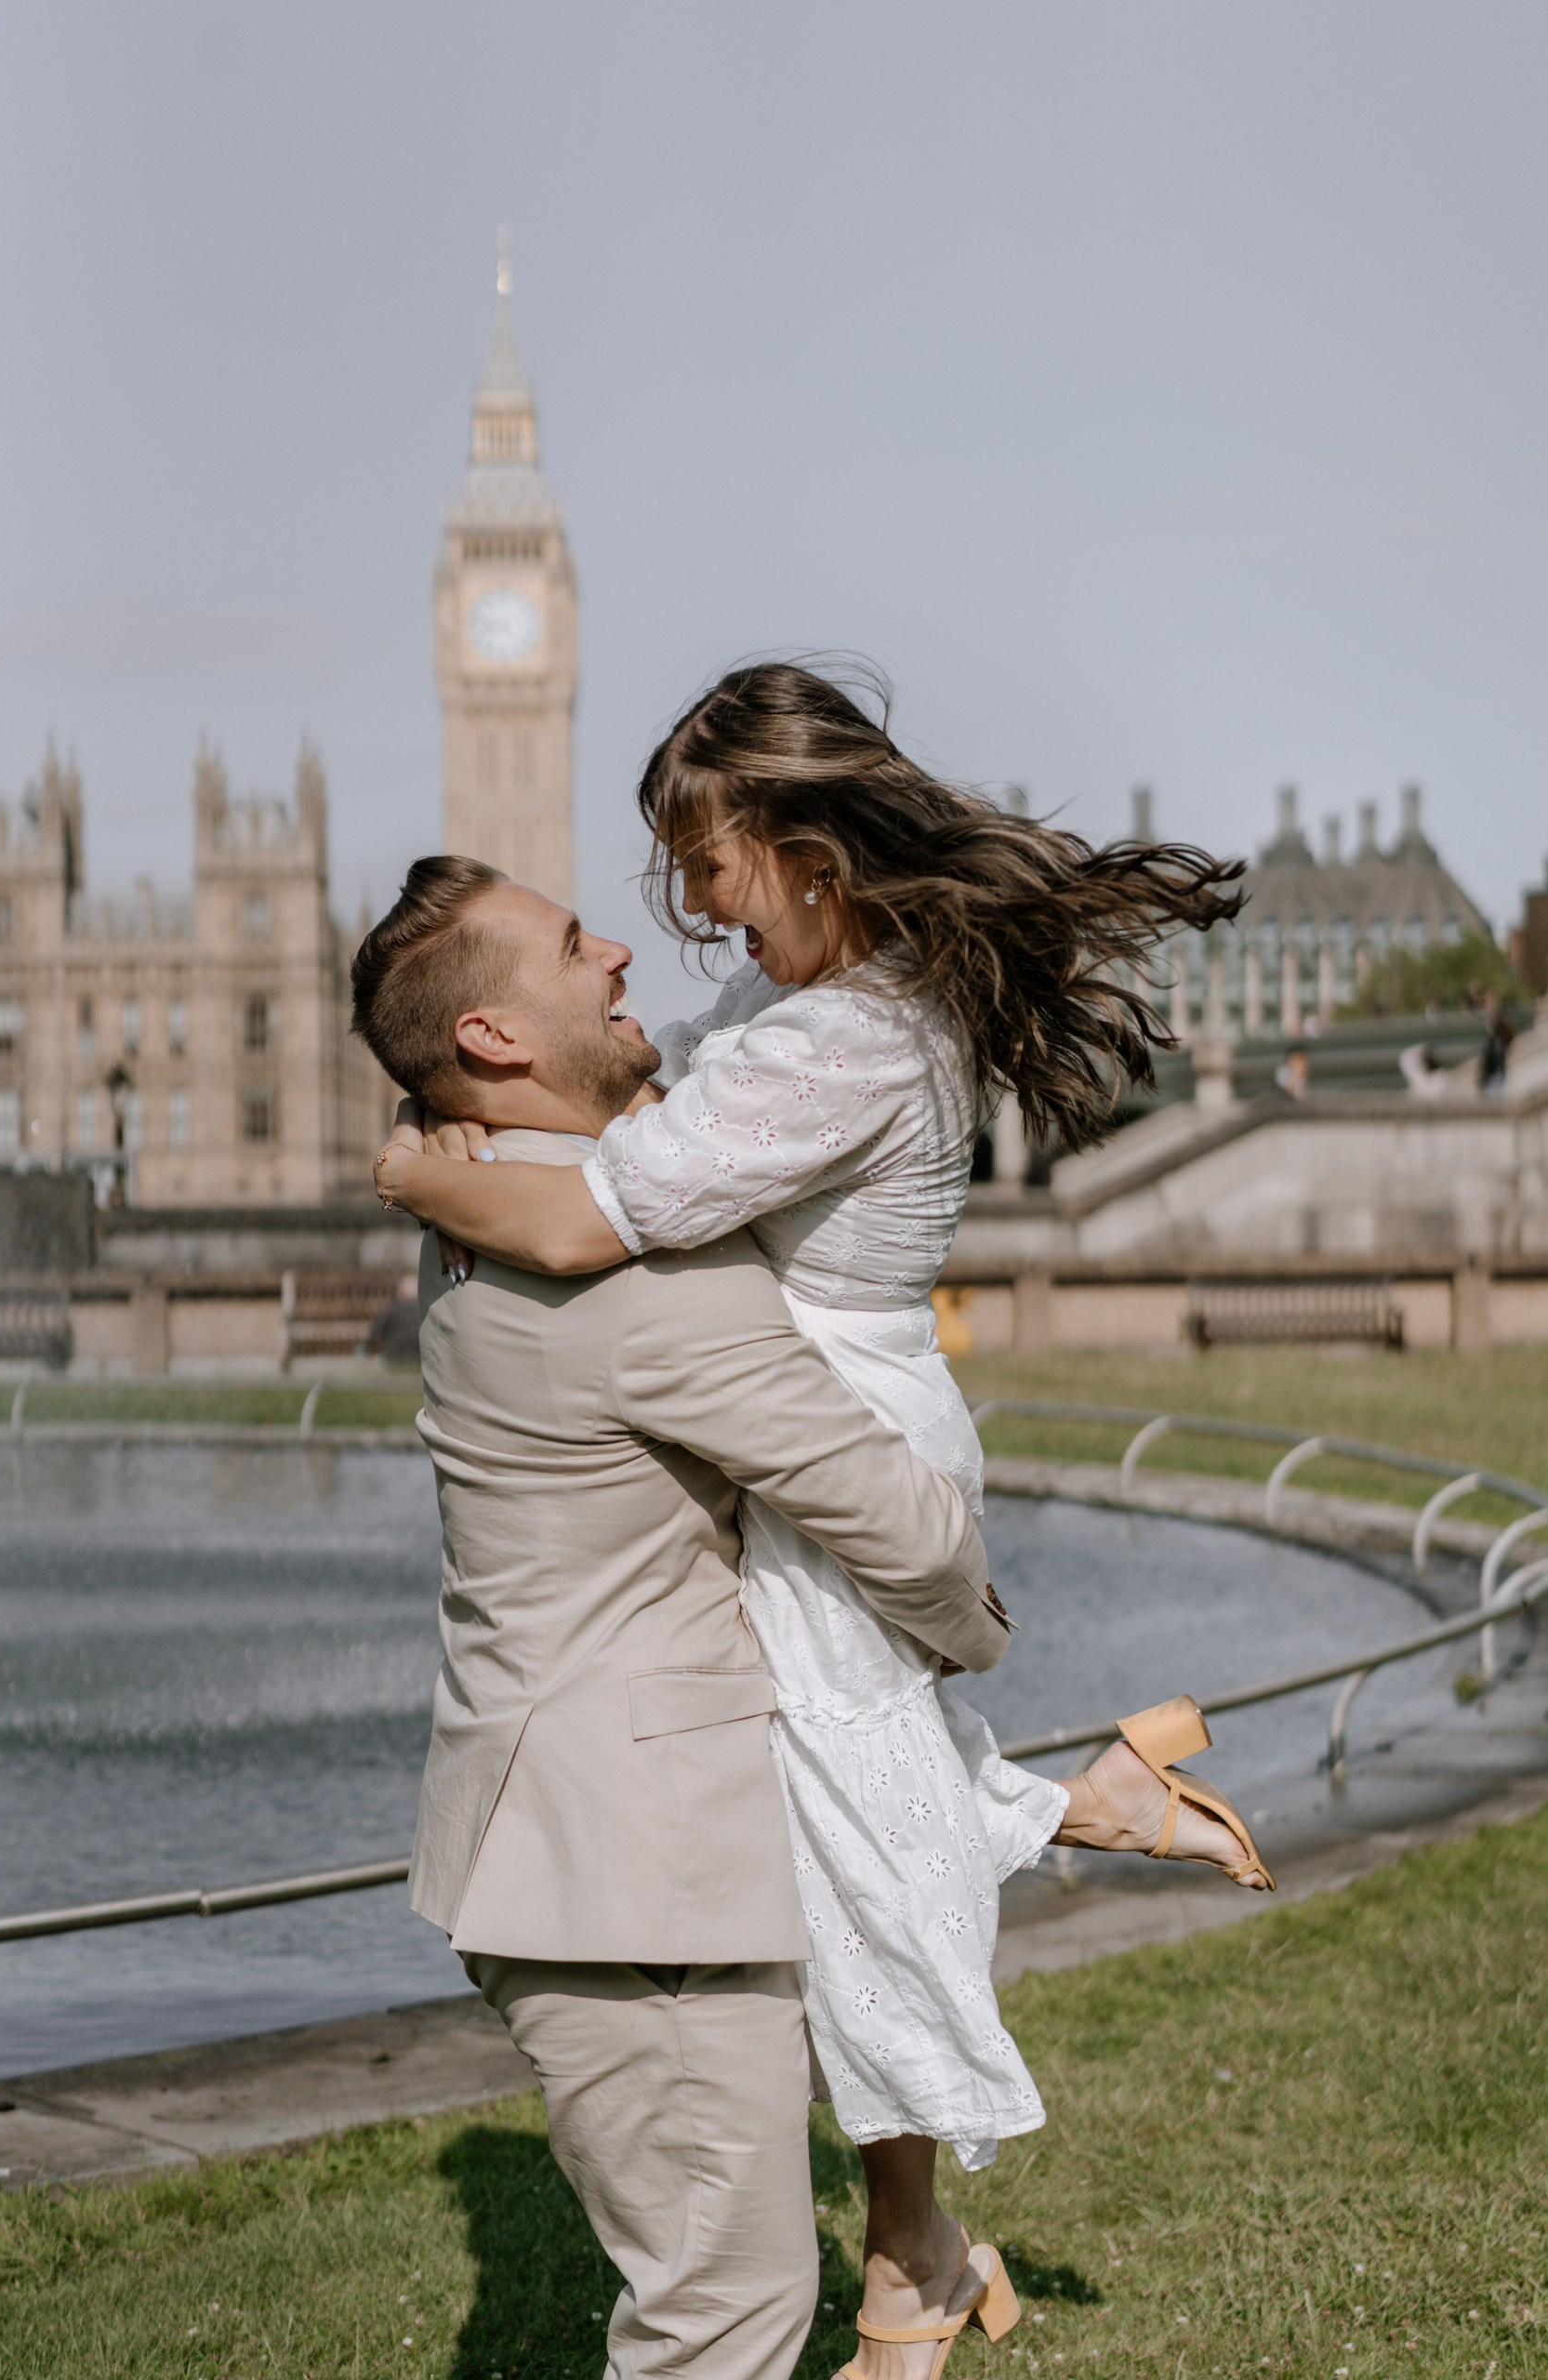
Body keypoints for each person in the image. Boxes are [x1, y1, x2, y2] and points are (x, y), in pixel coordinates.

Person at [373, 664, 1271, 2375]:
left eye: (700, 874)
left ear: (799, 850)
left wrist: (422, 1166)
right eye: (620, 916)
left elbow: (604, 1212)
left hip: (848, 1418)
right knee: (839, 1798)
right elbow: (656, 1113)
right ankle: (1064, 1860)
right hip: (839, 1416)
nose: (677, 925)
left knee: (854, 1830)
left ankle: (919, 2254)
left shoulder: (826, 1055)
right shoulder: (838, 1015)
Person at [351, 855, 1019, 2380]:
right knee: (723, 2318)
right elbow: (877, 1504)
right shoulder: (634, 1287)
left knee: (724, 2292)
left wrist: (411, 1153)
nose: (620, 957)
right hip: (627, 1885)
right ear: (499, 1046)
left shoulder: (491, 1200)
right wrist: (974, 1625)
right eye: (575, 946)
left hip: (585, 1855)